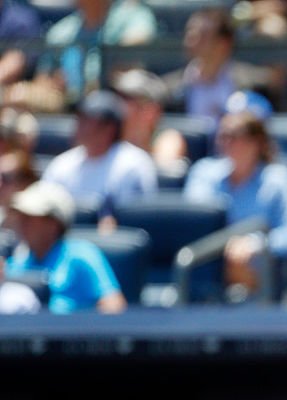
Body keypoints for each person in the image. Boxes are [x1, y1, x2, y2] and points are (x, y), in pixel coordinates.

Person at [183, 110, 287, 299]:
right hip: (205, 263)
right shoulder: (203, 172)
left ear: (257, 142)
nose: (228, 143)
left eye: (236, 136)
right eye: (223, 135)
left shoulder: (278, 178)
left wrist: (255, 244)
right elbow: (191, 225)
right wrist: (227, 246)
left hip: (261, 273)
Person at [6, 0, 156, 113]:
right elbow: (42, 80)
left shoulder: (133, 16)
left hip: (115, 104)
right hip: (68, 105)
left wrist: (101, 77)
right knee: (16, 98)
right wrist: (54, 84)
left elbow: (135, 49)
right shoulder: (61, 31)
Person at [4, 180, 126, 313]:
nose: (22, 223)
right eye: (21, 216)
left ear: (54, 223)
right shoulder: (17, 262)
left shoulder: (82, 255)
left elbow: (114, 306)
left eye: (30, 217)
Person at [41, 89, 158, 224]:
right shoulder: (62, 164)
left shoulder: (135, 164)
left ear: (109, 128)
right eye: (79, 118)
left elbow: (135, 219)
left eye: (87, 120)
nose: (79, 125)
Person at [163, 8, 279, 125]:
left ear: (225, 43)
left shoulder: (258, 84)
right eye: (189, 33)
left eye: (203, 35)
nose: (191, 40)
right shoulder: (168, 90)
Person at [110, 68, 190, 179]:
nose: (118, 104)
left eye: (127, 98)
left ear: (151, 110)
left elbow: (162, 174)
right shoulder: (107, 137)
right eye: (117, 97)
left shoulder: (167, 139)